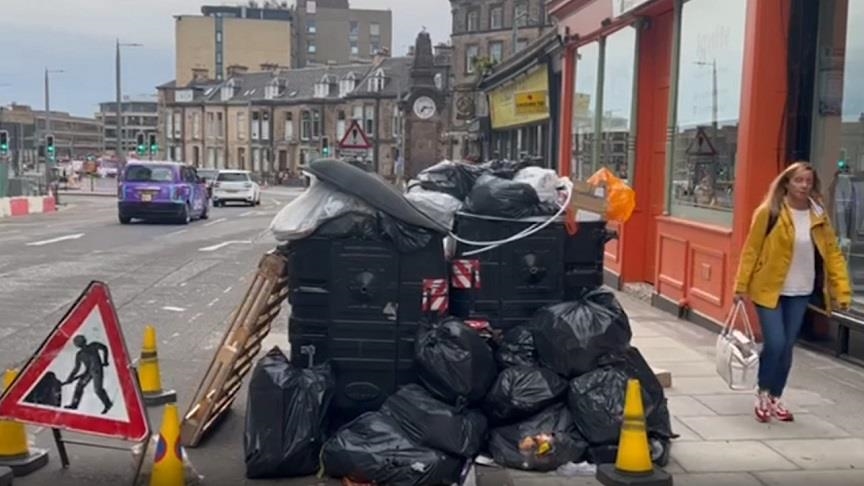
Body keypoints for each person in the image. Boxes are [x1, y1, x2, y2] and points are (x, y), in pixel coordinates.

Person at [734, 161, 850, 423]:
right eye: (799, 180)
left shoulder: (818, 214)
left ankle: (776, 396)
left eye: (808, 181)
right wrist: (740, 286)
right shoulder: (770, 211)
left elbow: (832, 254)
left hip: (801, 289)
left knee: (787, 347)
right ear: (786, 182)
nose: (804, 186)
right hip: (768, 288)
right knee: (775, 342)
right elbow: (751, 249)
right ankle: (762, 392)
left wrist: (842, 291)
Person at [62, 335, 113, 414]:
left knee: (98, 389)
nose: (79, 344)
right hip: (88, 372)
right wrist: (70, 378)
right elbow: (76, 368)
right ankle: (74, 404)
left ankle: (108, 404)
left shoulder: (93, 345)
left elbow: (104, 348)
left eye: (79, 342)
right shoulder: (79, 354)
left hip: (97, 370)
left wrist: (105, 360)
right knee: (79, 386)